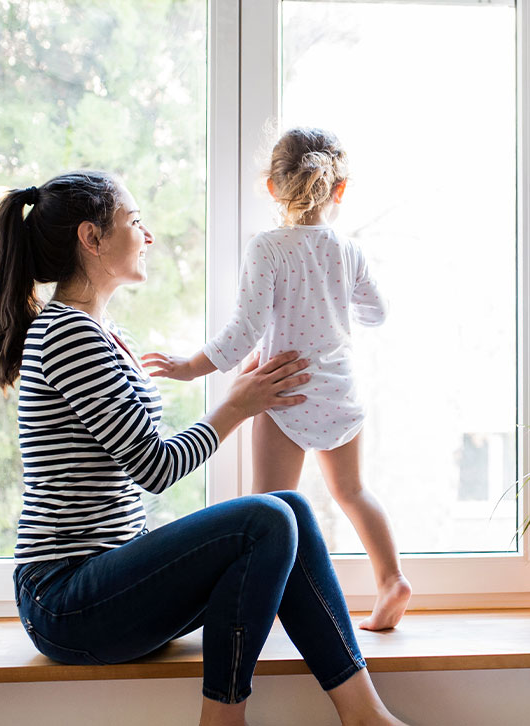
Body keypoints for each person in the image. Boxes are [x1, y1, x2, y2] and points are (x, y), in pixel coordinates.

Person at [0, 170, 406, 726]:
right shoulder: (67, 334)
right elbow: (153, 466)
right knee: (266, 518)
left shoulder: (100, 331)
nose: (148, 234)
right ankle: (223, 721)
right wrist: (236, 405)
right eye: (134, 221)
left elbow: (134, 454)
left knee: (291, 509)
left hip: (105, 582)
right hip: (65, 600)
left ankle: (366, 716)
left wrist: (243, 394)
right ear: (91, 238)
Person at [147, 128, 411, 631]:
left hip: (283, 392)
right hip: (340, 392)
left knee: (267, 510)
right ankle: (392, 579)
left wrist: (189, 367)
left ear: (271, 186)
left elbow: (243, 332)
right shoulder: (348, 250)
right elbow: (377, 312)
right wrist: (337, 303)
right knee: (353, 491)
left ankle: (262, 608)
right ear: (340, 189)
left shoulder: (266, 249)